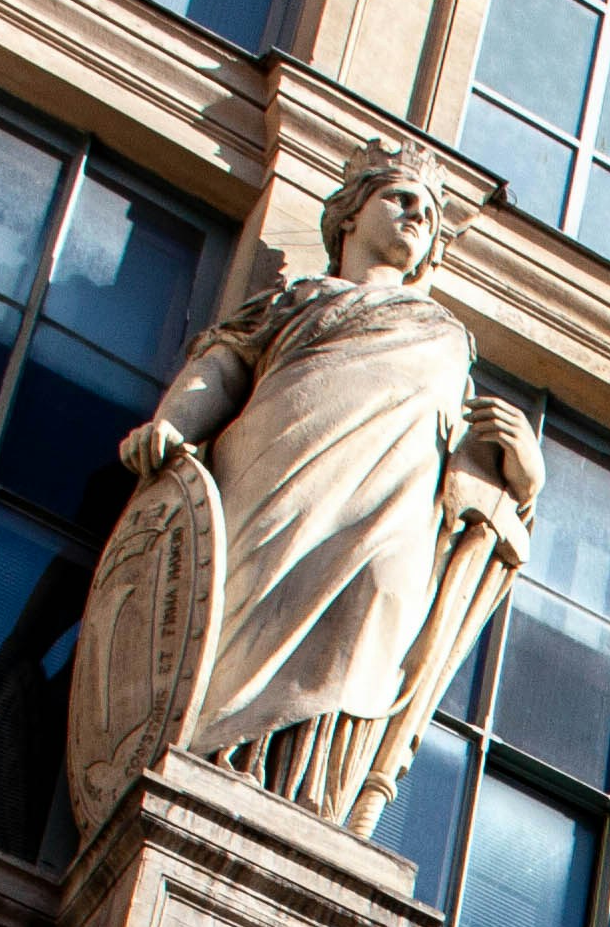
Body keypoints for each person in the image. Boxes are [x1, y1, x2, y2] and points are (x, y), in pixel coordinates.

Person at [111, 138, 540, 830]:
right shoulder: (293, 303)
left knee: (377, 609)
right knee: (242, 619)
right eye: (399, 198)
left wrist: (525, 471)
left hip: (391, 519)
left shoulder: (442, 334)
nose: (416, 216)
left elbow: (471, 486)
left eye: (429, 214)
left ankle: (311, 800)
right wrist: (172, 425)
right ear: (349, 215)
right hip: (280, 484)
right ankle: (222, 758)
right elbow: (221, 367)